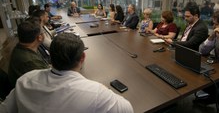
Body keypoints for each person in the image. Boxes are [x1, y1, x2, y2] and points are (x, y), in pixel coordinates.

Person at [0, 33, 134, 113]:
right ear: (83, 57)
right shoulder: (96, 92)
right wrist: (105, 89)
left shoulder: (25, 80)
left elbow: (4, 109)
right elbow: (128, 109)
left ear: (50, 57)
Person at [8, 20, 49, 88]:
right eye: (43, 32)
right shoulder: (31, 61)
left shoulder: (22, 48)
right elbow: (47, 83)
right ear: (39, 37)